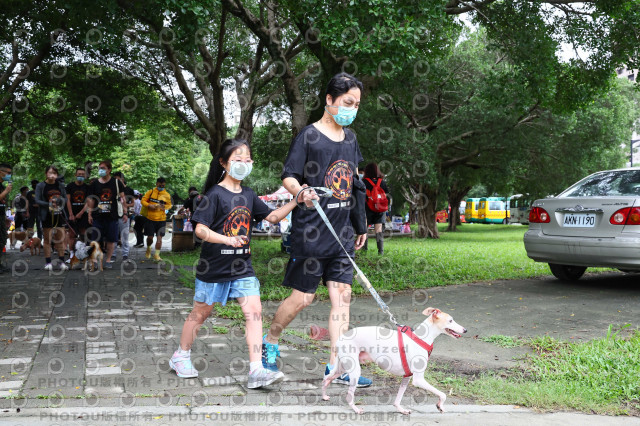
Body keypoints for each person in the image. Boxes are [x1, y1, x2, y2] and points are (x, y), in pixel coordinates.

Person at [262, 73, 372, 387]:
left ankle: (335, 367)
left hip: (342, 235)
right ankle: (270, 341)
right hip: (311, 232)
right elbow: (289, 176)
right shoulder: (309, 136)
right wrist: (300, 193)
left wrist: (359, 224)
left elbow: (354, 183)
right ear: (329, 100)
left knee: (343, 297)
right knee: (303, 298)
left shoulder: (350, 139)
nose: (352, 109)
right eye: (348, 102)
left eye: (357, 104)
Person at [170, 138, 298, 388]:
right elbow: (200, 230)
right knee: (200, 313)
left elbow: (271, 217)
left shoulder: (249, 194)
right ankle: (180, 356)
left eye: (247, 160)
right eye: (237, 160)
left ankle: (256, 370)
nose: (244, 164)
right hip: (214, 267)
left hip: (242, 268)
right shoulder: (214, 194)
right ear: (223, 163)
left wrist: (296, 200)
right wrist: (227, 240)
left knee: (254, 312)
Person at [87, 160, 128, 269]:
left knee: (111, 239)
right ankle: (95, 260)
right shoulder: (94, 184)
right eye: (100, 168)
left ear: (109, 170)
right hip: (97, 216)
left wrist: (125, 213)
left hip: (112, 216)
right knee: (96, 239)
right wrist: (89, 214)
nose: (101, 170)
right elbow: (91, 200)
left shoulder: (116, 182)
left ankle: (108, 260)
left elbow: (123, 199)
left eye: (103, 168)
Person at [35, 166, 69, 271]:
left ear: (57, 175)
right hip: (47, 215)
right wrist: (50, 203)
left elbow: (65, 198)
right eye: (49, 172)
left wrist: (59, 201)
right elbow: (37, 200)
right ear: (46, 174)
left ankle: (62, 261)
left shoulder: (60, 185)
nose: (52, 175)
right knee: (47, 240)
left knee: (60, 239)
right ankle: (48, 262)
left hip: (59, 214)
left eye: (54, 173)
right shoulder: (41, 186)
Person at [141, 178, 172, 262]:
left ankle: (157, 255)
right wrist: (149, 205)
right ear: (156, 184)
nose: (161, 187)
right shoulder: (150, 192)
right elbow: (143, 200)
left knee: (159, 238)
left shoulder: (166, 195)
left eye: (163, 186)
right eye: (160, 185)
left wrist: (164, 207)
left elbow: (169, 205)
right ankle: (148, 248)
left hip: (161, 219)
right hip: (150, 218)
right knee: (150, 237)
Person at [363, 162, 390, 255]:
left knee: (365, 228)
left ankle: (364, 249)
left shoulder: (364, 182)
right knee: (378, 230)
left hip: (367, 208)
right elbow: (385, 194)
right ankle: (380, 251)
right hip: (380, 208)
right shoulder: (381, 182)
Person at [65, 167, 90, 262]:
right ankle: (71, 255)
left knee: (83, 234)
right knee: (71, 235)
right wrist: (71, 214)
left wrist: (81, 213)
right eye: (79, 174)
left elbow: (88, 202)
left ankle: (82, 254)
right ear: (76, 175)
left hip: (83, 214)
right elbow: (68, 200)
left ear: (85, 176)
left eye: (83, 174)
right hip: (72, 213)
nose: (81, 176)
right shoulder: (70, 186)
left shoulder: (87, 187)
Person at [112, 172, 135, 262]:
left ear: (123, 179)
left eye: (118, 179)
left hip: (125, 215)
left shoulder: (129, 190)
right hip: (114, 215)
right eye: (115, 179)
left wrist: (124, 206)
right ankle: (113, 254)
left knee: (125, 236)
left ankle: (125, 254)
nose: (117, 181)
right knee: (113, 236)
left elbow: (133, 203)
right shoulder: (113, 189)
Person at [0, 163, 12, 273]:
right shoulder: (4, 189)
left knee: (3, 238)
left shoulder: (2, 186)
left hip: (1, 216)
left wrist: (5, 217)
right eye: (8, 173)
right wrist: (6, 192)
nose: (9, 175)